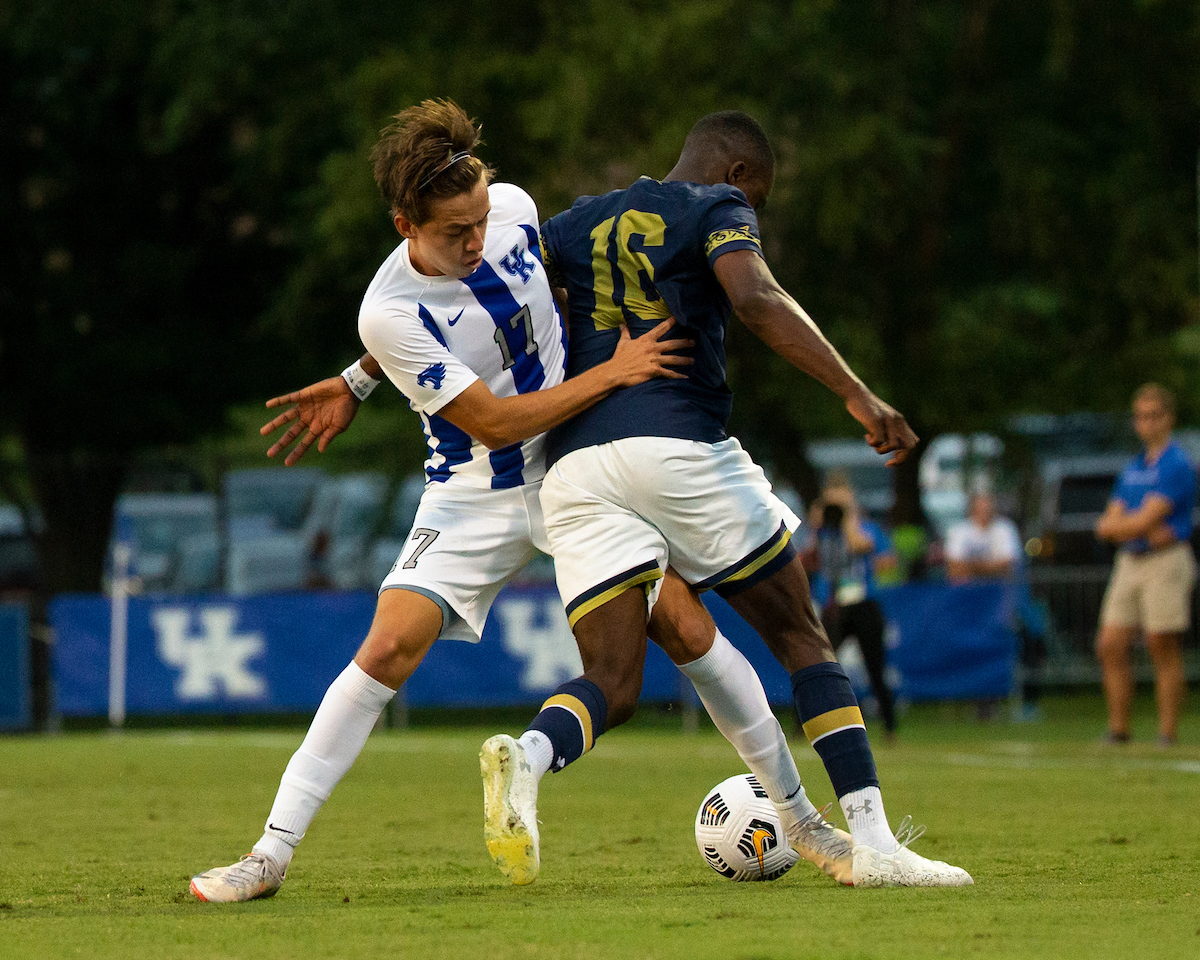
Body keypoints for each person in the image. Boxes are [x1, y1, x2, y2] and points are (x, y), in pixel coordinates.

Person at [190, 100, 850, 902]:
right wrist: (613, 373)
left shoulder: (511, 211)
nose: (476, 240)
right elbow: (493, 420)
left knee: (683, 623)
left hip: (578, 468)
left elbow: (550, 293)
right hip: (474, 486)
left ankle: (805, 821)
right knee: (386, 649)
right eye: (453, 233)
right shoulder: (387, 310)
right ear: (405, 226)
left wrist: (358, 380)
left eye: (479, 220)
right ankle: (269, 854)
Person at [487, 110, 971, 887]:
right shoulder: (716, 205)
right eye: (763, 198)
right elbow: (755, 299)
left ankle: (529, 756)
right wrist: (858, 393)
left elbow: (511, 308)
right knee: (803, 637)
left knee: (611, 681)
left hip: (574, 469)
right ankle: (877, 845)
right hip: (677, 447)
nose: (758, 212)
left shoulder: (575, 222)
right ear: (740, 172)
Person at [1094, 383, 1197, 747]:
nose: (1146, 423)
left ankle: (1167, 731)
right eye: (1140, 416)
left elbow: (1136, 522)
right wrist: (1129, 527)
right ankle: (1118, 728)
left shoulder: (1177, 464)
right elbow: (1111, 523)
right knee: (1110, 643)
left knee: (1161, 643)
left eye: (1154, 415)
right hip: (1132, 559)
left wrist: (1124, 526)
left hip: (1165, 561)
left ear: (1168, 419)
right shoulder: (1135, 466)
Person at [802, 479, 898, 738]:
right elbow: (808, 556)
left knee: (875, 667)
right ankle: (807, 722)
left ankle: (889, 726)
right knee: (818, 662)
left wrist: (848, 518)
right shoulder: (822, 532)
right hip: (834, 606)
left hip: (863, 605)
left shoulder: (863, 528)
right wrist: (819, 520)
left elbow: (862, 545)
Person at [946, 491, 1046, 719]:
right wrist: (990, 568)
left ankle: (1028, 702)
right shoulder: (960, 531)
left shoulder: (1004, 529)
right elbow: (954, 569)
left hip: (1003, 605)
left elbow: (1008, 565)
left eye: (988, 507)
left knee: (1031, 638)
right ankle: (981, 701)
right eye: (980, 507)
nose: (985, 512)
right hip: (971, 608)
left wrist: (972, 568)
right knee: (972, 649)